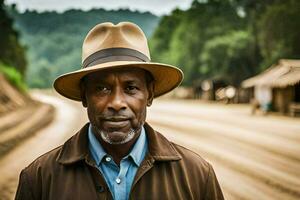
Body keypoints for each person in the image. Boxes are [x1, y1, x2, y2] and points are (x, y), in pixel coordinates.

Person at [15, 22, 224, 200]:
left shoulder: (197, 176)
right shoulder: (39, 180)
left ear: (149, 94)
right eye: (102, 88)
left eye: (130, 88)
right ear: (84, 96)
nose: (116, 103)